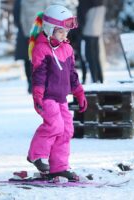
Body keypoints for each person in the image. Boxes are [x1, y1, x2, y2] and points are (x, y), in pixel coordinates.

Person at [27, 5, 87, 181]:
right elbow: (38, 76)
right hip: (46, 97)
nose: (64, 36)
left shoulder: (66, 49)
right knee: (55, 126)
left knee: (67, 129)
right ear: (49, 29)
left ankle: (59, 167)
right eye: (61, 32)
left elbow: (72, 74)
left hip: (61, 97)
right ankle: (36, 155)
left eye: (66, 32)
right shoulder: (41, 49)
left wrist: (80, 93)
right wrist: (37, 96)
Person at [13, 0, 51, 93]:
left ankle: (30, 83)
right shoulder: (45, 1)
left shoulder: (21, 2)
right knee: (41, 59)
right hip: (41, 34)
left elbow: (16, 17)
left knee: (27, 59)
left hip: (25, 34)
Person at [77, 0, 106, 83]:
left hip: (88, 30)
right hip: (97, 30)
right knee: (96, 55)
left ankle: (94, 79)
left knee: (89, 56)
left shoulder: (84, 2)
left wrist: (79, 31)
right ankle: (100, 78)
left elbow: (81, 17)